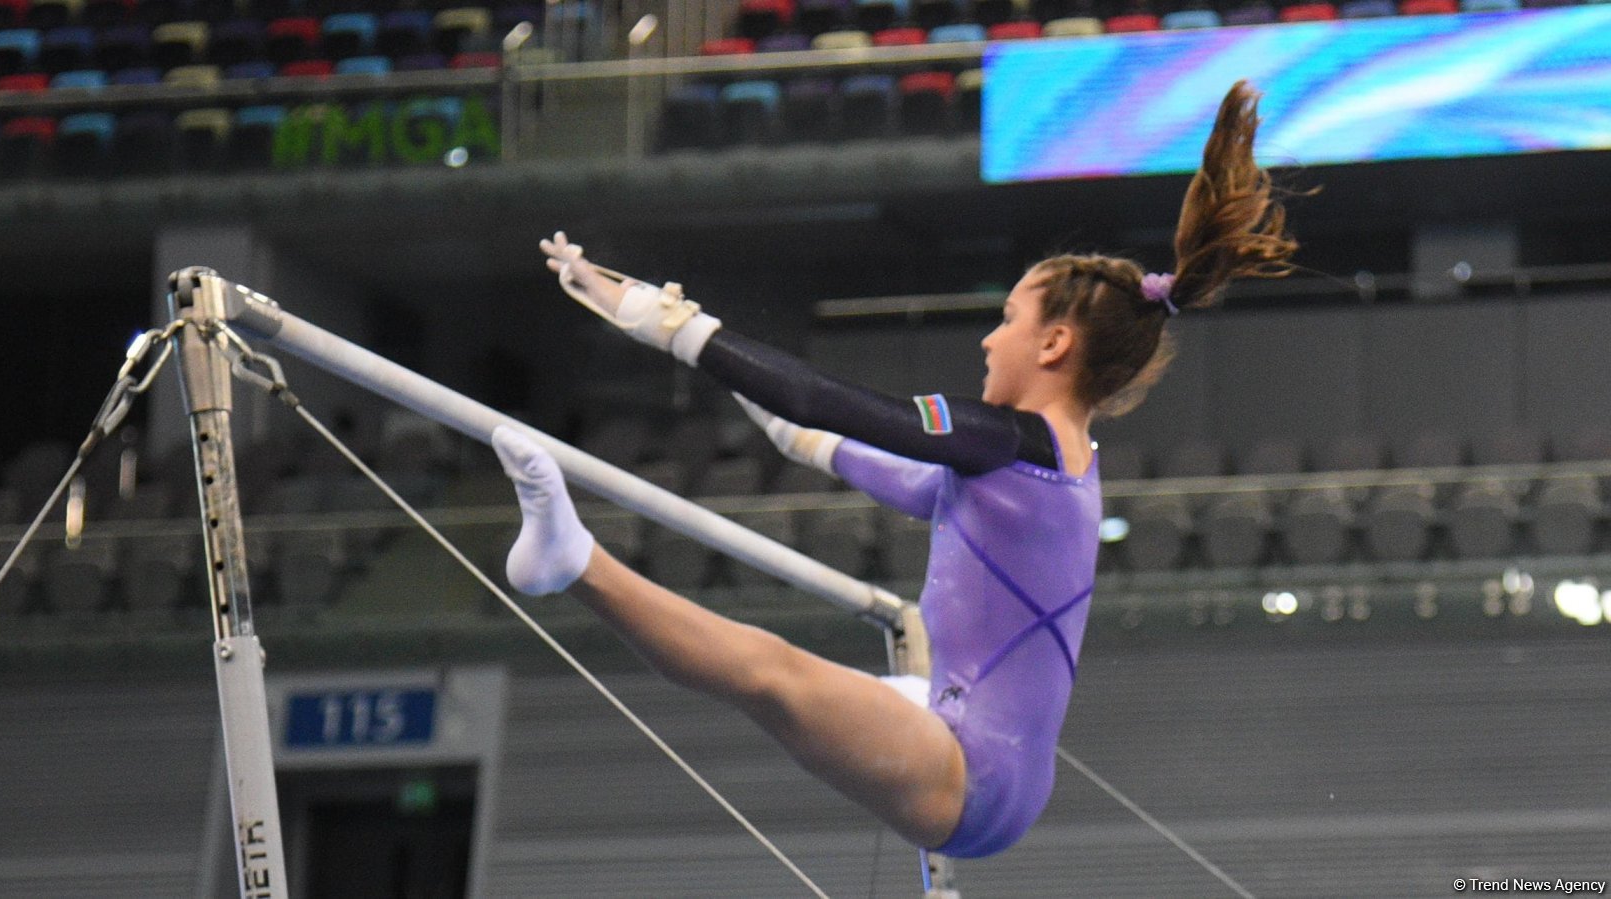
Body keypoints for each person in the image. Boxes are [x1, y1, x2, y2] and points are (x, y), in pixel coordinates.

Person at [493, 79, 1300, 858]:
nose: (988, 339)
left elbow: (819, 400)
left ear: (1055, 344)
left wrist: (680, 331)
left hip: (969, 772)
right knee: (786, 677)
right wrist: (641, 310)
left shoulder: (1007, 441)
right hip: (969, 746)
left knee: (772, 674)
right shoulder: (1037, 470)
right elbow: (812, 436)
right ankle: (574, 561)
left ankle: (578, 564)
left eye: (1007, 318)